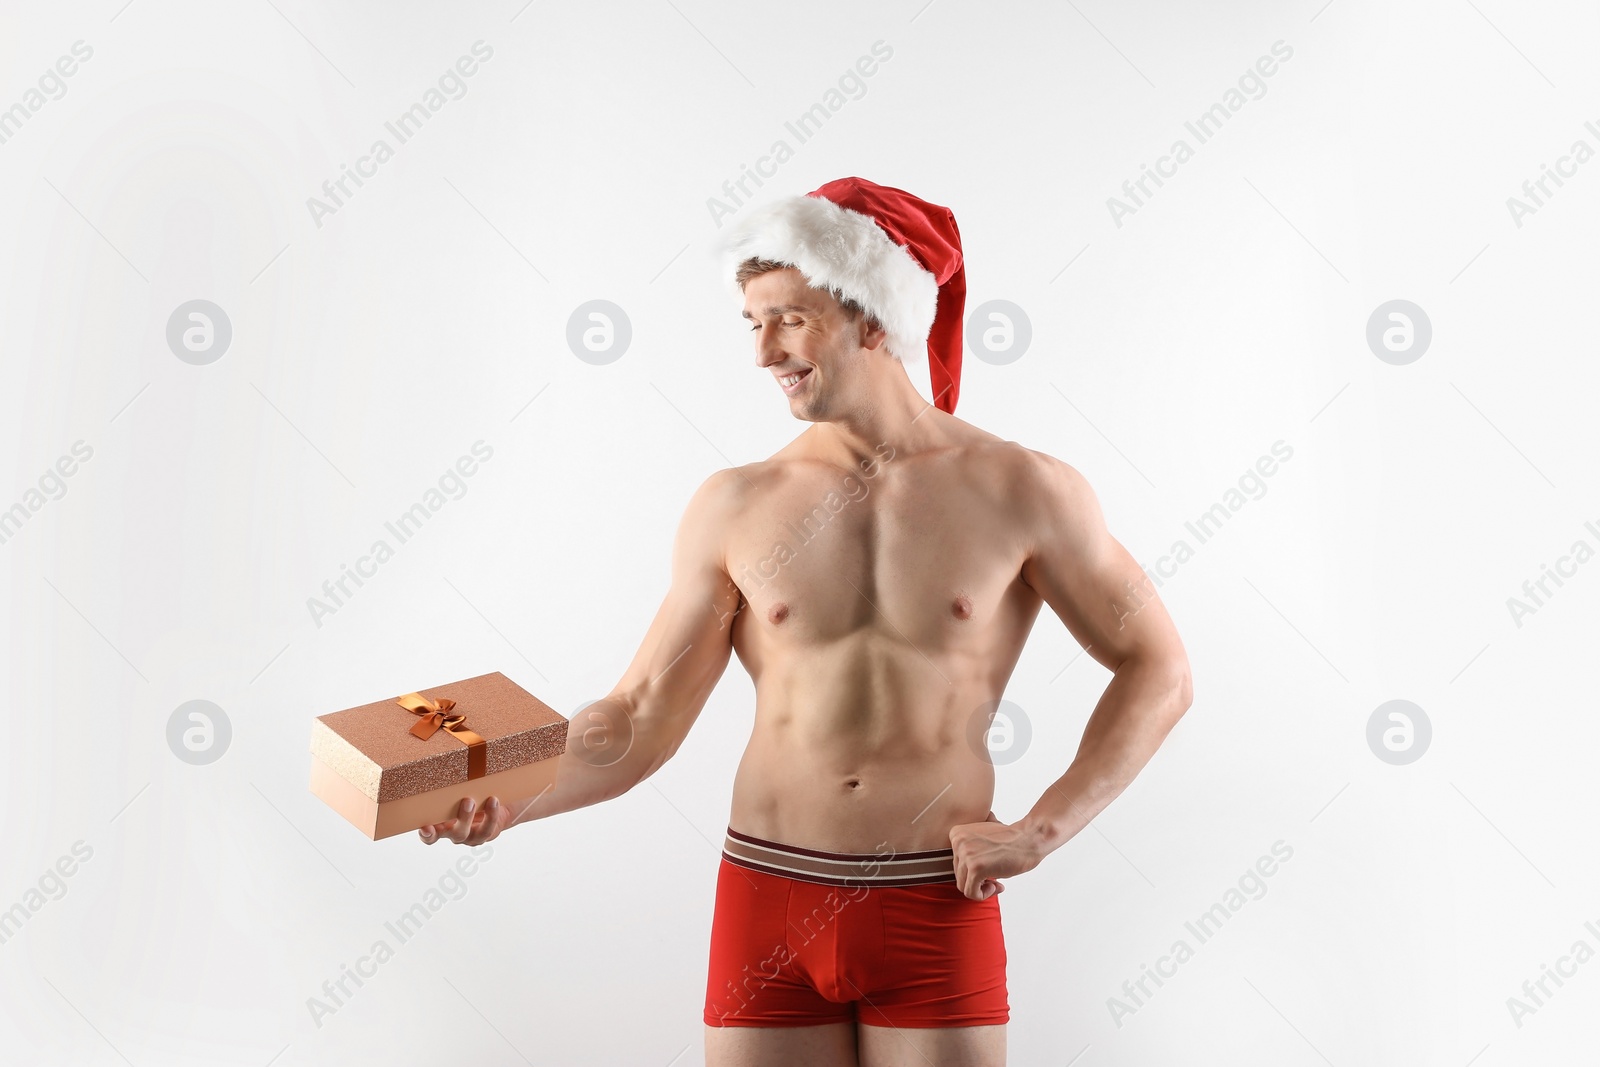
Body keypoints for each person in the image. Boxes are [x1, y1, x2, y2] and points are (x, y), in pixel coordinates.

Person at [420, 177, 1193, 1067]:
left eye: (789, 317)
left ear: (875, 315)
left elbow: (1158, 667)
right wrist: (510, 793)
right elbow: (636, 715)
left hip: (932, 901)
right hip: (768, 898)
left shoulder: (1025, 489)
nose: (765, 354)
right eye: (753, 324)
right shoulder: (737, 504)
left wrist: (1042, 828)